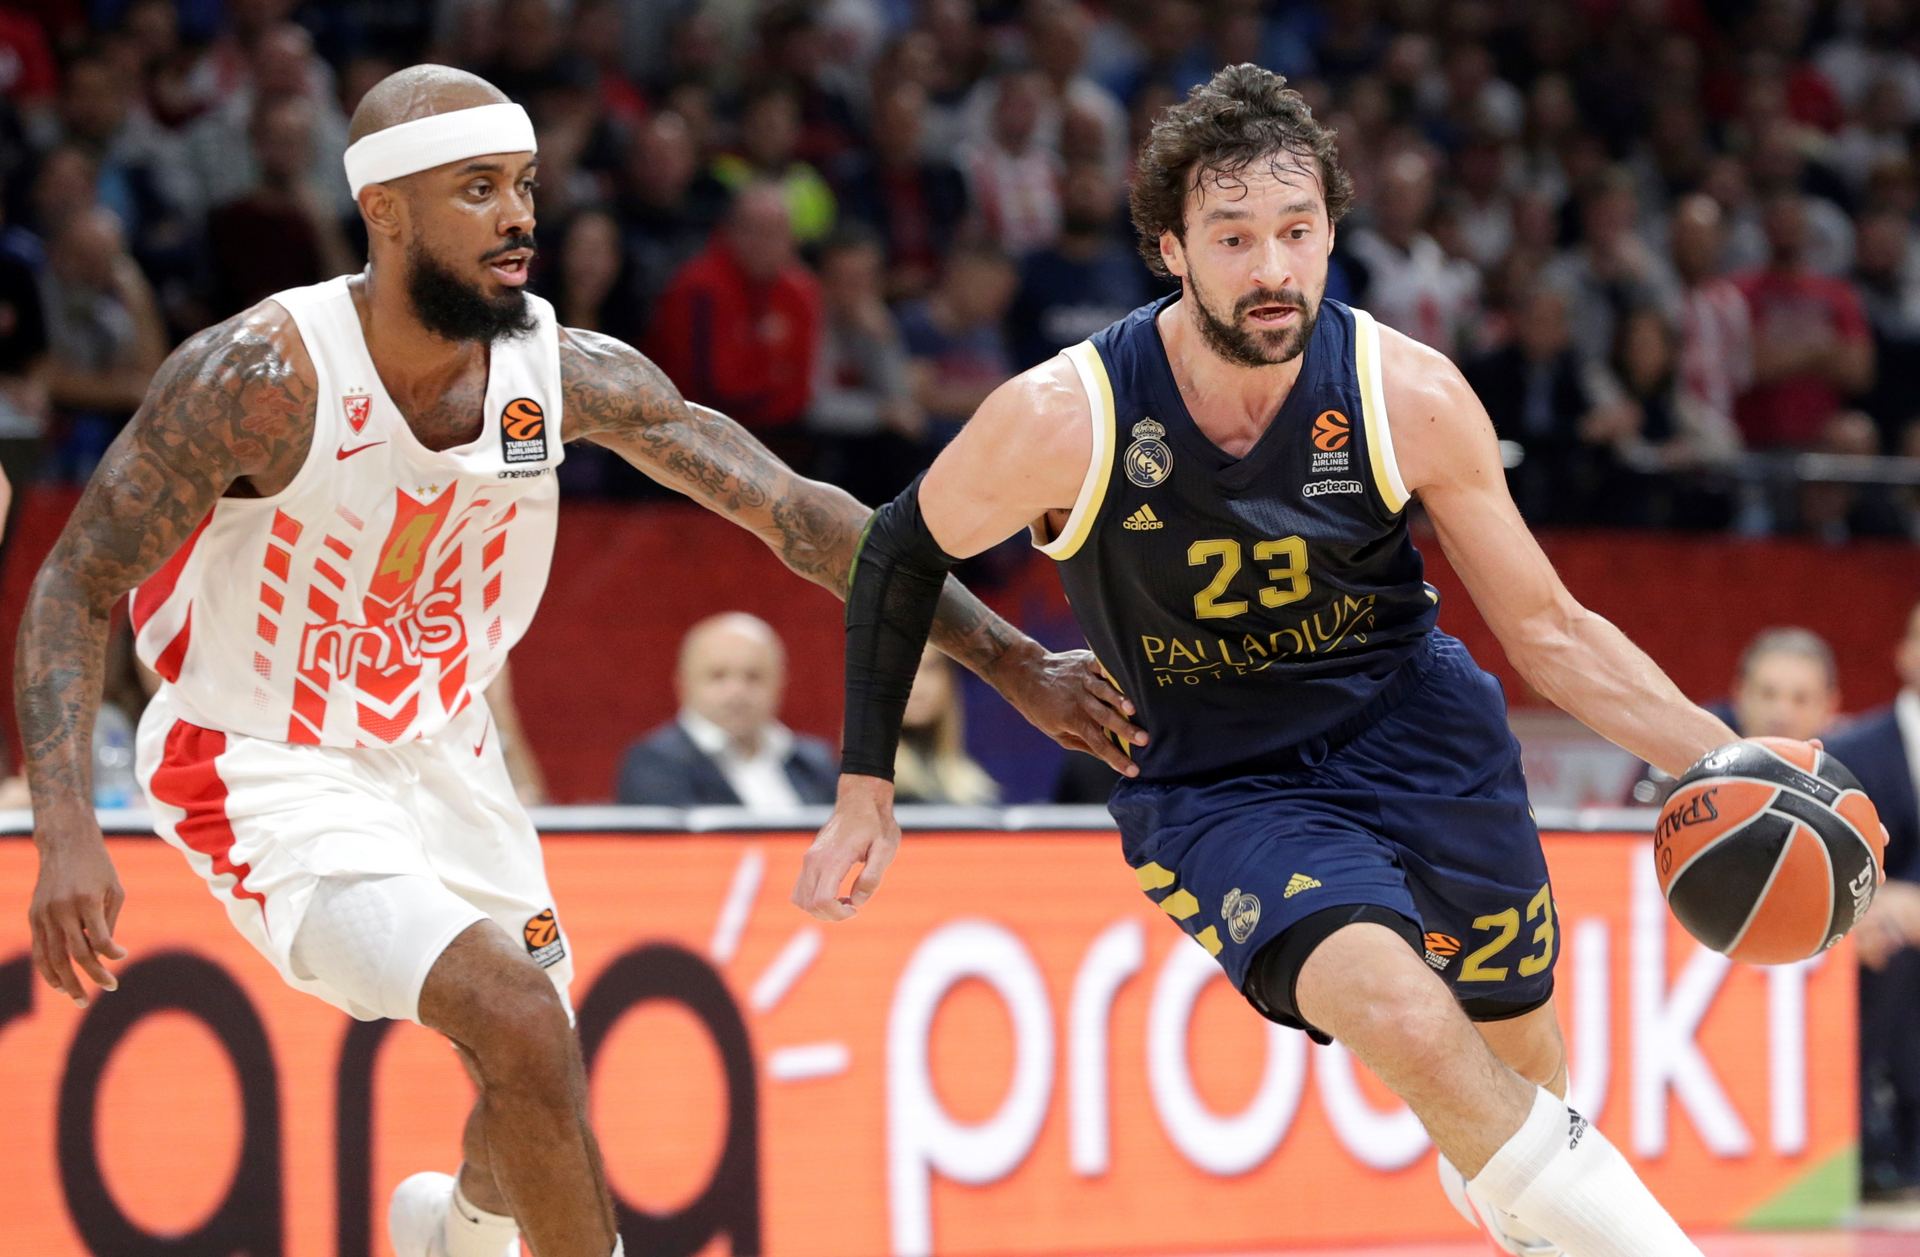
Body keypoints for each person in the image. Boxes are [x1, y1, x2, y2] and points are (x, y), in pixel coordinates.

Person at [16, 66, 1141, 1257]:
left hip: (444, 748)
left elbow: (803, 515)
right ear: (386, 211)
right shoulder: (259, 376)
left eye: (525, 187)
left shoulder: (564, 371)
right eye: (479, 190)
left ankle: (449, 1235)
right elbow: (71, 581)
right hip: (259, 759)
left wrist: (1012, 661)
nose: (520, 217)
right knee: (514, 1016)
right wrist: (69, 830)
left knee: (538, 1062)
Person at [798, 65, 1753, 1257]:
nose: (1271, 267)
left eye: (1297, 232)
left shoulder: (1408, 391)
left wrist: (1730, 754)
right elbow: (896, 550)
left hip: (1418, 736)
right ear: (1170, 249)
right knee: (1404, 1016)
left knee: (1522, 1074)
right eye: (1234, 236)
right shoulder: (1065, 416)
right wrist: (867, 780)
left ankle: (1530, 1212)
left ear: (1332, 235)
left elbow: (1550, 630)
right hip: (1220, 781)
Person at [1824, 601, 1920, 1201]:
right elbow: (1836, 852)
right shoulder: (1857, 748)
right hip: (1879, 927)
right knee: (1881, 950)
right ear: (1905, 651)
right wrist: (1879, 904)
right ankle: (1879, 1143)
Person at [615, 613, 836, 809]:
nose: (737, 692)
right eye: (718, 676)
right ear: (682, 685)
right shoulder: (654, 764)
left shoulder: (814, 762)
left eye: (753, 676)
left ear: (780, 684)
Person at [1627, 627, 1839, 805]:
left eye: (1800, 699)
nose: (1781, 713)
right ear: (1739, 694)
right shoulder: (1681, 746)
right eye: (1767, 694)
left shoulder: (1847, 778)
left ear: (1830, 707)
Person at [894, 647, 998, 806]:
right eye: (903, 669)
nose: (918, 686)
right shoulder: (861, 788)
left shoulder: (974, 788)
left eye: (930, 668)